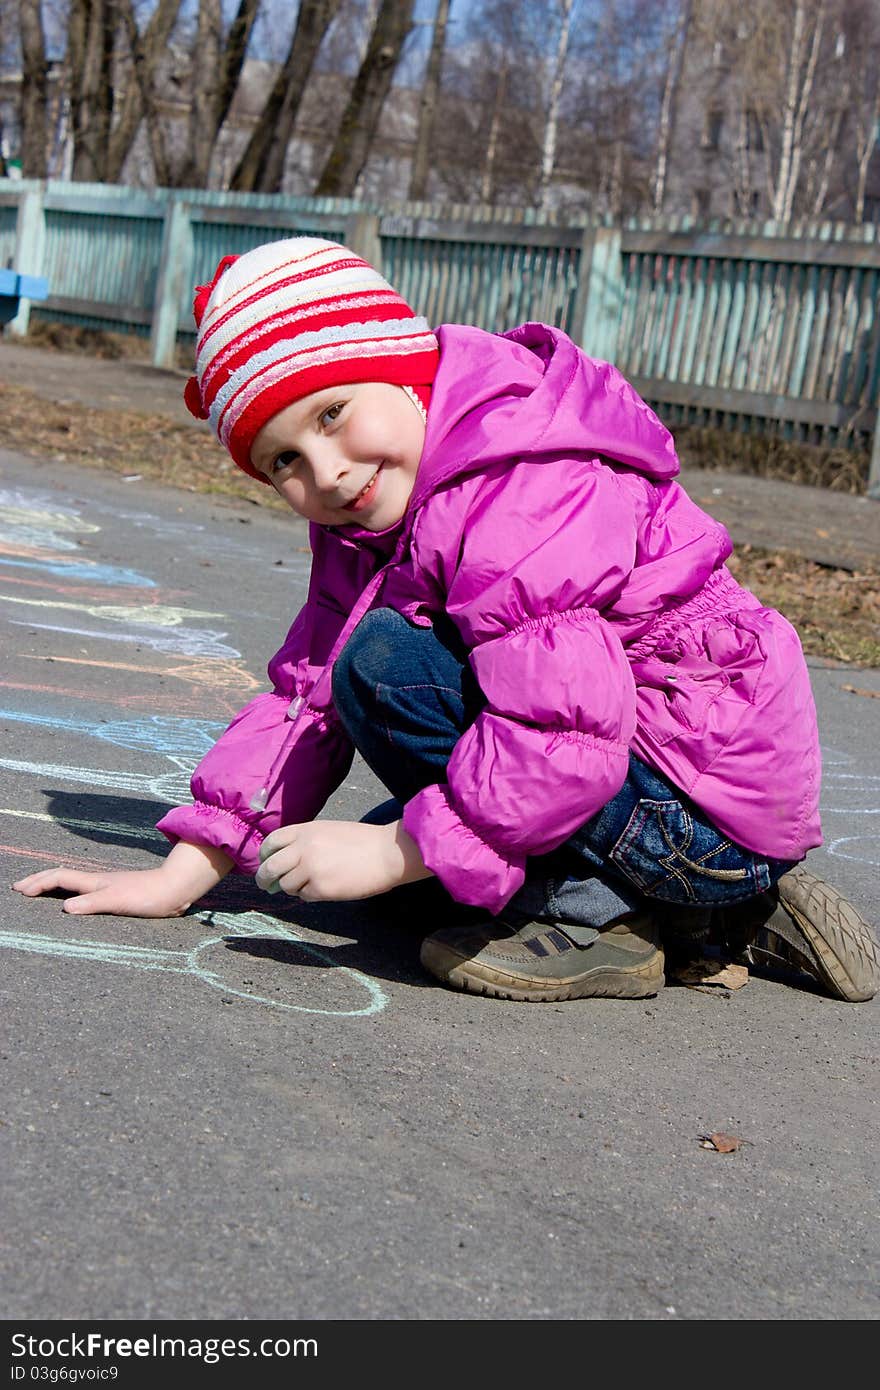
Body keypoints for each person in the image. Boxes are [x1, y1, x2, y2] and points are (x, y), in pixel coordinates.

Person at [13, 236, 879, 1005]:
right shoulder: (377, 509)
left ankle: (612, 919)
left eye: (331, 414)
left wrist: (397, 853)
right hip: (654, 785)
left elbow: (562, 730)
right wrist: (183, 873)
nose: (329, 472)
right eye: (285, 460)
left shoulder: (521, 483)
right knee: (373, 787)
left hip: (698, 807)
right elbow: (305, 696)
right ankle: (717, 910)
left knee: (386, 678)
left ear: (404, 366)